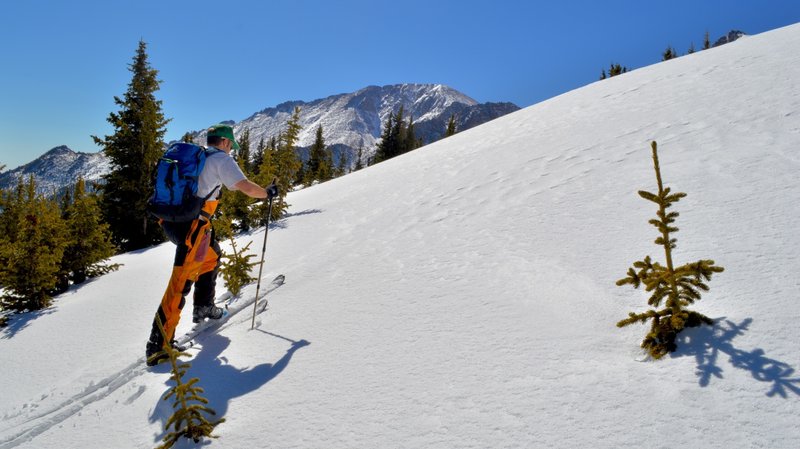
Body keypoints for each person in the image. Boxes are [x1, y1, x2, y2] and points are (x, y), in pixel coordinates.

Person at [146, 123, 278, 366]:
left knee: (211, 257)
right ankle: (158, 347)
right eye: (231, 145)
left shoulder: (199, 156)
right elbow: (246, 188)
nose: (231, 150)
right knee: (180, 283)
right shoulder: (222, 160)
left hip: (176, 221)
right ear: (225, 142)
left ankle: (204, 306)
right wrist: (267, 193)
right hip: (192, 227)